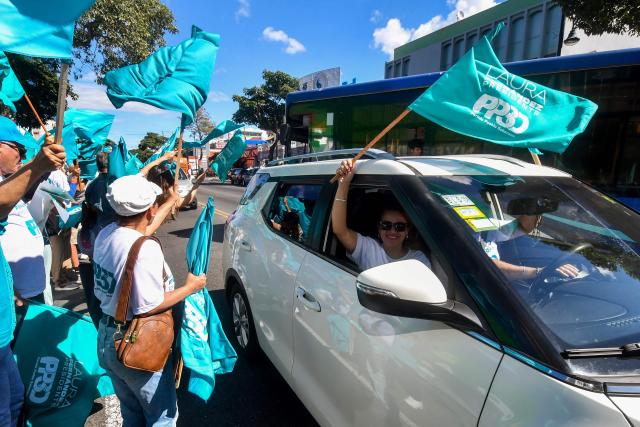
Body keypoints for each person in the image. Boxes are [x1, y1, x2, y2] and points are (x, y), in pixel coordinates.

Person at [94, 174, 206, 425]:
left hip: (107, 335)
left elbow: (142, 230)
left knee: (131, 412)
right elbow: (150, 304)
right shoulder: (145, 248)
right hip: (133, 341)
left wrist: (171, 201)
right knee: (162, 416)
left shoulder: (107, 233)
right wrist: (191, 287)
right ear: (150, 208)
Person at [0, 117, 66, 427]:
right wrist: (38, 164)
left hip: (17, 306)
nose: (21, 155)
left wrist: (42, 168)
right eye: (17, 148)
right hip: (15, 301)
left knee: (15, 399)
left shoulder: (9, 182)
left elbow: (20, 195)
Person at [332, 159, 430, 271]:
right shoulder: (369, 249)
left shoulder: (418, 260)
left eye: (400, 227)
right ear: (378, 228)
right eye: (386, 225)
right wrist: (344, 183)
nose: (392, 231)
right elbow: (339, 230)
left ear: (408, 230)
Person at [480, 196, 579, 281]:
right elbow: (488, 266)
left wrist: (533, 210)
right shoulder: (473, 233)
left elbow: (521, 227)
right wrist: (538, 272)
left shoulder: (487, 227)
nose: (487, 203)